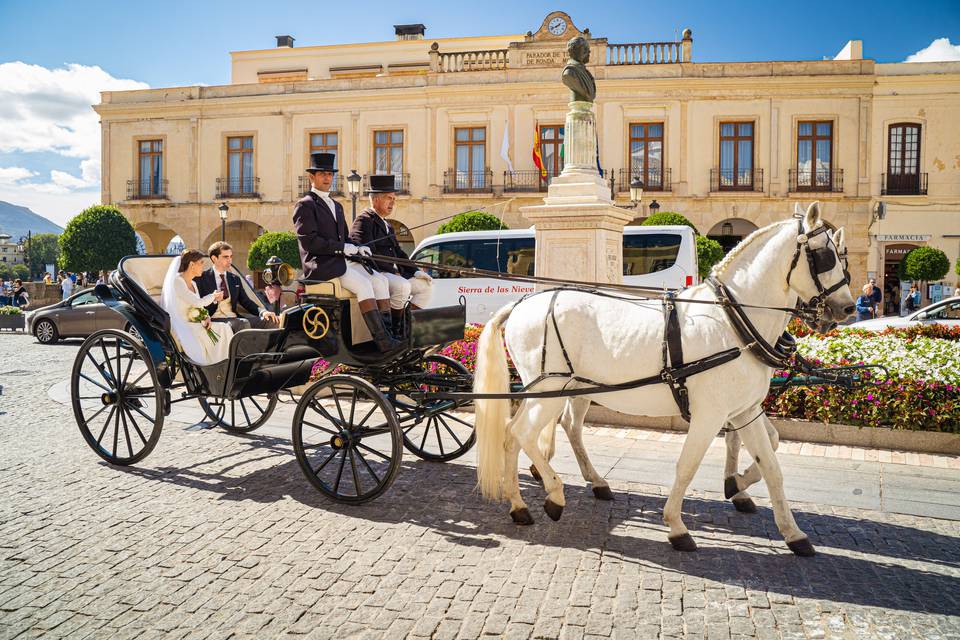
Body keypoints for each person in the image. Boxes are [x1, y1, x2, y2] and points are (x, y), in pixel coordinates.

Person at [293, 152, 400, 352]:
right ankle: (384, 342)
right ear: (311, 177)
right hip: (321, 266)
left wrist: (357, 248)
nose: (327, 178)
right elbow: (309, 242)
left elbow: (345, 238)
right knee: (364, 284)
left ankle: (389, 334)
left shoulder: (337, 206)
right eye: (322, 174)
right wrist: (343, 248)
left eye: (330, 174)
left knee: (381, 281)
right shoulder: (305, 205)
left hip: (341, 263)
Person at [349, 174, 433, 338]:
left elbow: (399, 253)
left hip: (392, 274)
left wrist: (415, 271)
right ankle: (394, 333)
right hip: (376, 274)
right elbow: (366, 253)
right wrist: (392, 271)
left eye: (394, 199)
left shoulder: (387, 224)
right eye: (389, 198)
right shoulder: (363, 220)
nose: (392, 203)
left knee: (425, 288)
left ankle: (407, 327)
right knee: (402, 286)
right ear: (375, 200)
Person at [161, 249, 232, 364]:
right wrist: (213, 296)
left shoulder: (193, 283)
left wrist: (206, 317)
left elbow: (199, 307)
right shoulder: (177, 282)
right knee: (223, 329)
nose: (203, 267)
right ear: (192, 265)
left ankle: (223, 364)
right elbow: (196, 302)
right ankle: (217, 364)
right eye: (201, 263)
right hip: (182, 324)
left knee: (225, 328)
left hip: (194, 323)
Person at [194, 241, 279, 332]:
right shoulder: (201, 278)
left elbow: (246, 302)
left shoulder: (235, 279)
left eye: (231, 256)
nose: (229, 260)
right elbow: (198, 304)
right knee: (243, 323)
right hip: (214, 320)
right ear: (214, 258)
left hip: (234, 318)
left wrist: (263, 312)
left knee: (271, 320)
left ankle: (265, 346)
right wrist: (213, 299)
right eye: (225, 257)